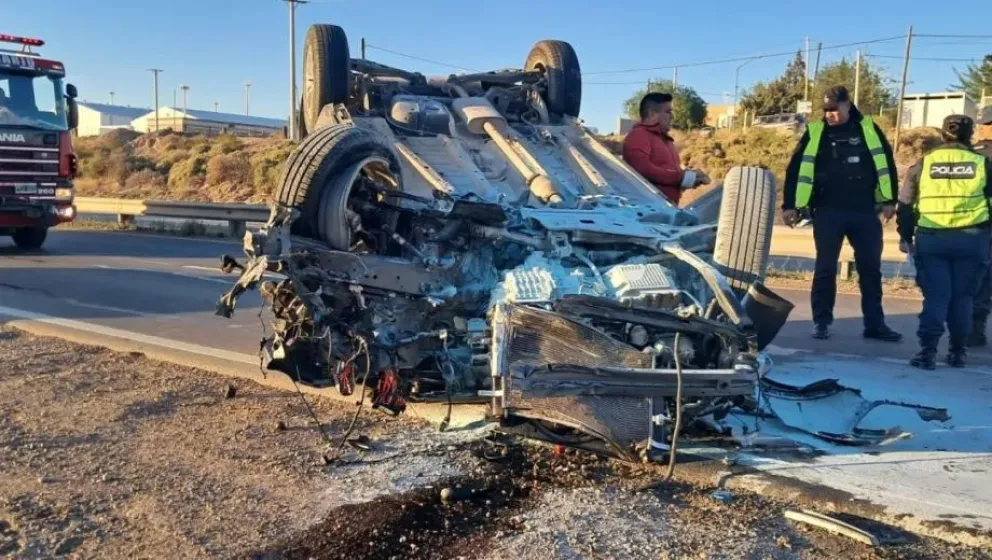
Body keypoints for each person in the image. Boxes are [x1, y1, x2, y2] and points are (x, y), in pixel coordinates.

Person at [781, 85, 902, 342]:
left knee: (870, 269)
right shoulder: (816, 132)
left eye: (834, 109)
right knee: (825, 269)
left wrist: (890, 200)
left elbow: (886, 163)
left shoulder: (868, 129)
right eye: (826, 110)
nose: (830, 115)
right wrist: (789, 205)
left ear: (848, 105)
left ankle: (875, 324)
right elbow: (795, 169)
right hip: (828, 211)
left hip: (864, 211)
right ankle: (821, 322)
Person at [896, 114, 992, 369]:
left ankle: (928, 352)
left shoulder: (924, 163)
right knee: (964, 298)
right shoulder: (982, 163)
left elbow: (905, 204)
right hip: (972, 240)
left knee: (937, 297)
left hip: (933, 240)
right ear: (970, 134)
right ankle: (958, 352)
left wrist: (904, 236)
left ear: (943, 134)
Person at [622, 92, 710, 205]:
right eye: (668, 112)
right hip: (648, 214)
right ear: (652, 114)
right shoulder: (638, 135)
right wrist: (682, 176)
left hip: (667, 212)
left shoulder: (666, 141)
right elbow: (642, 171)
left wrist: (692, 179)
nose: (672, 116)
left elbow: (668, 177)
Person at [969, 106, 992, 347]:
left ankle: (975, 329)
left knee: (979, 280)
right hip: (980, 226)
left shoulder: (969, 153)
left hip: (975, 226)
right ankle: (975, 329)